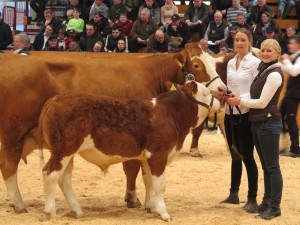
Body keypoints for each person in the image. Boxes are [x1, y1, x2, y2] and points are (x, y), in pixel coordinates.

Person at [226, 39, 284, 220]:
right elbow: (254, 94)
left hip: (268, 123)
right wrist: (240, 96)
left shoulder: (274, 74)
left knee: (272, 167)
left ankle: (274, 207)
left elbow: (262, 102)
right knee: (267, 167)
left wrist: (239, 101)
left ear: (277, 53)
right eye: (264, 50)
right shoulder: (264, 69)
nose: (265, 53)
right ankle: (266, 203)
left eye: (269, 51)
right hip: (259, 123)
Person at [219, 28, 260, 213]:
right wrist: (224, 93)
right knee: (234, 153)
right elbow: (230, 86)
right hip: (230, 112)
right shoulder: (230, 62)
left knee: (248, 156)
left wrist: (239, 98)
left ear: (250, 41)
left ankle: (252, 197)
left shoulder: (255, 63)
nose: (240, 43)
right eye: (237, 40)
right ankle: (233, 194)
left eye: (243, 39)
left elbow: (255, 91)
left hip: (246, 112)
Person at [280, 34, 300, 157]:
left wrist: (286, 59)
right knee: (280, 117)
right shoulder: (295, 57)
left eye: (292, 43)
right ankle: (286, 145)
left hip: (295, 94)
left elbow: (293, 71)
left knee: (290, 120)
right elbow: (288, 69)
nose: (289, 45)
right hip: (290, 94)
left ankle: (295, 149)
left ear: (298, 45)